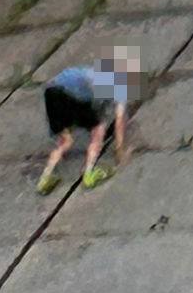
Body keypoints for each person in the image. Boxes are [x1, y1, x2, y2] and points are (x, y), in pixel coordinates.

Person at [36, 51, 137, 195]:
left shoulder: (94, 72)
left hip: (51, 91)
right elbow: (119, 120)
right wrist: (120, 149)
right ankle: (89, 174)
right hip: (72, 95)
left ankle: (45, 177)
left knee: (65, 141)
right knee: (99, 130)